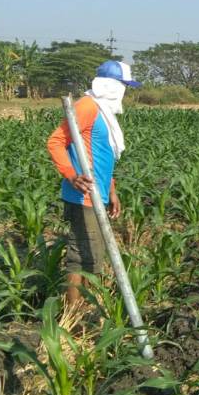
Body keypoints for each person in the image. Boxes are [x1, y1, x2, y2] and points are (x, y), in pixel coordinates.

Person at [46, 60, 141, 306]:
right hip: (84, 194)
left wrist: (112, 189)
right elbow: (56, 141)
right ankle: (73, 314)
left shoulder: (103, 111)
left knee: (92, 254)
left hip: (99, 192)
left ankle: (85, 305)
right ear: (112, 85)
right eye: (124, 85)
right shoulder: (87, 106)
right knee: (81, 255)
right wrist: (71, 175)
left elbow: (100, 153)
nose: (125, 91)